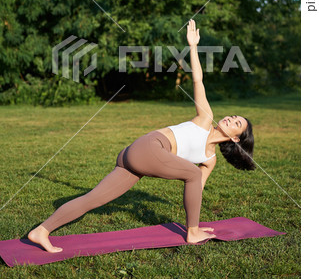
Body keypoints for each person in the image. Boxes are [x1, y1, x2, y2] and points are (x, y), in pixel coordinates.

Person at [28, 20, 255, 253]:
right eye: (234, 116)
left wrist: (194, 210)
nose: (230, 118)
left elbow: (195, 190)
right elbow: (198, 79)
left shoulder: (209, 160)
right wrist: (193, 46)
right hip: (149, 147)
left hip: (134, 159)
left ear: (236, 138)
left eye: (236, 123)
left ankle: (41, 231)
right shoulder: (205, 118)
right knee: (193, 174)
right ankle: (192, 233)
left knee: (93, 199)